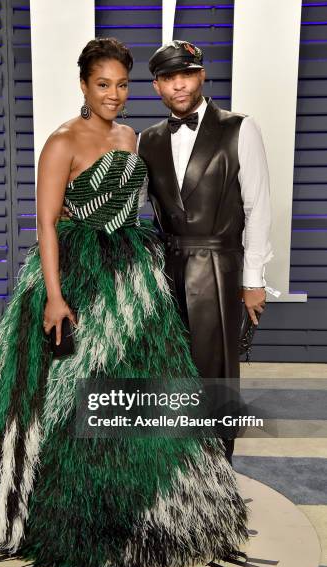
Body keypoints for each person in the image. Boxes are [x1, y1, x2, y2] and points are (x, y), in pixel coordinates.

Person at [0, 38, 248, 567]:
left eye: (122, 85)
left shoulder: (131, 136)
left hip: (131, 275)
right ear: (83, 85)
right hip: (76, 273)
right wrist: (55, 295)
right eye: (103, 84)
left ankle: (151, 494)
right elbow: (46, 225)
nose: (114, 95)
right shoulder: (62, 141)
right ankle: (65, 498)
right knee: (68, 394)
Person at [137, 40, 273, 463]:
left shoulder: (239, 128)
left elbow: (259, 206)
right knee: (170, 371)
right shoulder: (148, 140)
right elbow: (137, 205)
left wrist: (254, 281)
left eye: (186, 74)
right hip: (167, 268)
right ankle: (177, 476)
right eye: (167, 78)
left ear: (201, 76)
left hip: (221, 266)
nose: (178, 85)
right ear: (157, 86)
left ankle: (218, 473)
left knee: (215, 373)